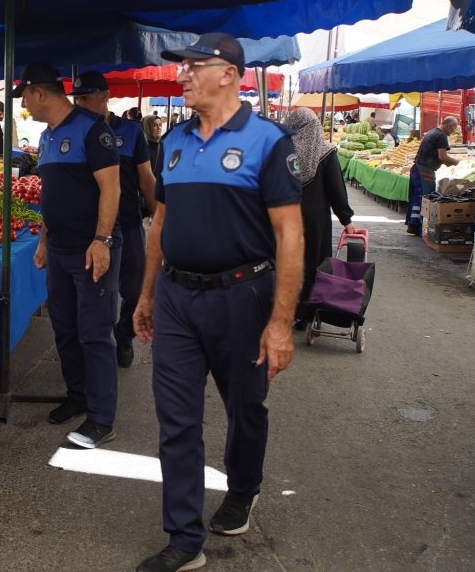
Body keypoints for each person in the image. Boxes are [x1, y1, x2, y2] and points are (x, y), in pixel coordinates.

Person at [133, 33, 304, 572]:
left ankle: (243, 488)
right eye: (180, 67)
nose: (181, 75)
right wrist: (146, 292)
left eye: (193, 67)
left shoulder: (268, 141)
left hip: (242, 296)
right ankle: (184, 539)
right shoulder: (175, 141)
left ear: (229, 73)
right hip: (178, 298)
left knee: (245, 407)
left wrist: (280, 323)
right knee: (176, 420)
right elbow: (161, 221)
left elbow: (290, 237)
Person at [19, 61, 122, 449]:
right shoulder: (46, 138)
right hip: (59, 249)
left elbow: (110, 189)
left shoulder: (94, 131)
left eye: (26, 96)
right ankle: (77, 396)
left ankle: (101, 417)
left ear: (41, 93)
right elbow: (53, 197)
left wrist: (102, 240)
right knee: (64, 329)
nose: (25, 105)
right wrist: (44, 241)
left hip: (90, 249)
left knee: (95, 334)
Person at [72, 71, 157, 369]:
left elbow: (146, 180)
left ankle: (123, 335)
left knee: (134, 290)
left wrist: (159, 218)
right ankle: (96, 348)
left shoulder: (132, 132)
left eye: (85, 97)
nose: (79, 103)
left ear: (105, 97)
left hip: (129, 223)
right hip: (91, 228)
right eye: (76, 98)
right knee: (95, 294)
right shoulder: (76, 131)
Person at [284, 108, 356, 329]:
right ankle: (304, 314)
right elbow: (336, 190)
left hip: (283, 214)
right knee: (312, 262)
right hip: (314, 220)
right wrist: (347, 219)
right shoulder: (324, 152)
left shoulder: (281, 151)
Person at [405, 117, 459, 235]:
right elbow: (443, 157)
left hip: (417, 168)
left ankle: (412, 225)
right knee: (426, 199)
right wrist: (455, 162)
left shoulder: (431, 132)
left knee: (417, 197)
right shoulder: (441, 136)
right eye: (453, 129)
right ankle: (421, 228)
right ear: (449, 126)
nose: (452, 132)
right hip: (426, 170)